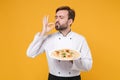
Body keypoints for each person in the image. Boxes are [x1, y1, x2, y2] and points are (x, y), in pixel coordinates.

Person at [26, 6, 93, 80]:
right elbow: (30, 53)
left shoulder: (80, 39)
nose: (57, 20)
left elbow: (88, 65)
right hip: (53, 77)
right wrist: (43, 32)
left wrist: (72, 59)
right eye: (56, 17)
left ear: (70, 21)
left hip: (74, 78)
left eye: (61, 17)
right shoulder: (48, 38)